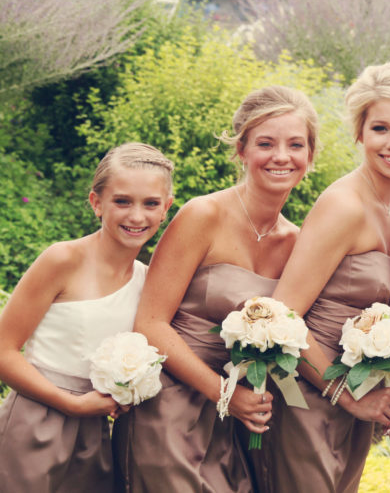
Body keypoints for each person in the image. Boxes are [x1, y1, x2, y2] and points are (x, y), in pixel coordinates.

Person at [115, 86, 319, 492]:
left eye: (295, 144)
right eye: (266, 143)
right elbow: (151, 323)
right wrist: (225, 394)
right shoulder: (202, 215)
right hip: (169, 411)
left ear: (310, 156)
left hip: (235, 428)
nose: (282, 156)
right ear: (241, 150)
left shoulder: (299, 243)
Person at [256, 63, 390, 493]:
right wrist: (348, 394)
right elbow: (279, 317)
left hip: (358, 404)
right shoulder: (343, 205)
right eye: (380, 128)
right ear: (360, 133)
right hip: (305, 398)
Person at [0, 143, 174, 492]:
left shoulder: (147, 280)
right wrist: (73, 404)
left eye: (151, 204)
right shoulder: (62, 260)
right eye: (122, 201)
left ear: (166, 209)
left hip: (95, 432)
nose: (137, 216)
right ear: (97, 203)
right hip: (37, 420)